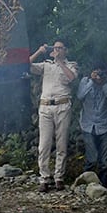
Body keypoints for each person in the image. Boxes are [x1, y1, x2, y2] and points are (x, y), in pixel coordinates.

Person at [30, 40, 78, 192]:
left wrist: (60, 62)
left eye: (60, 48)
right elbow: (25, 65)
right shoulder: (46, 64)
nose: (56, 50)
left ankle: (59, 177)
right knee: (44, 145)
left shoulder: (71, 65)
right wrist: (39, 51)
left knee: (61, 143)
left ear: (65, 50)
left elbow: (71, 78)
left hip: (62, 106)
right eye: (55, 47)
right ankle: (44, 177)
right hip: (45, 107)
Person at [76, 63, 107, 187]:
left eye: (101, 73)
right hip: (87, 125)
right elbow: (80, 95)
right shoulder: (85, 81)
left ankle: (103, 187)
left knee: (104, 161)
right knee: (92, 158)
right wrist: (91, 81)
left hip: (104, 125)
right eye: (96, 72)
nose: (98, 76)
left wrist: (104, 84)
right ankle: (84, 185)